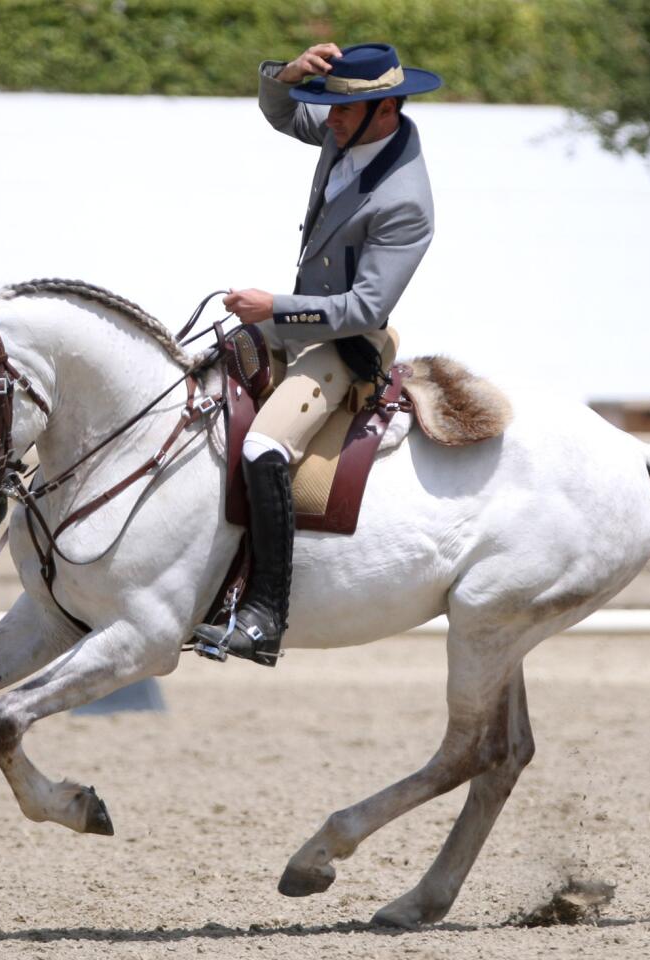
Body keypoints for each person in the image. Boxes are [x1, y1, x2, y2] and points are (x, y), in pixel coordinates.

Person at [193, 42, 442, 666]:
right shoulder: (347, 129)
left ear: (384, 109)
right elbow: (283, 113)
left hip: (346, 342)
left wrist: (273, 307)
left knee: (263, 445)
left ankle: (264, 613)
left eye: (339, 110)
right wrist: (287, 73)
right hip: (299, 321)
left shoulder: (405, 200)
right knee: (203, 376)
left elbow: (363, 308)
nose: (325, 118)